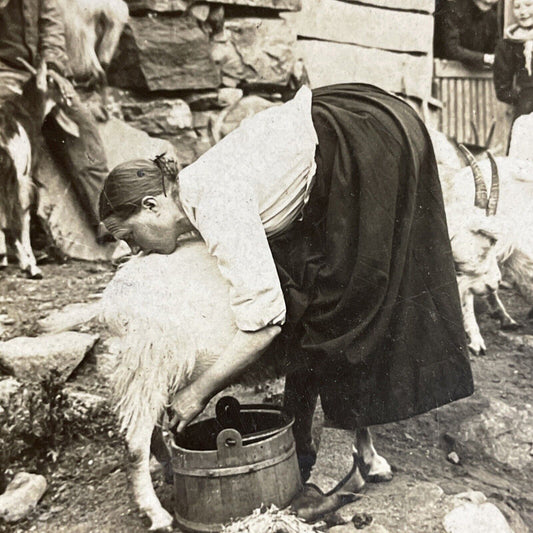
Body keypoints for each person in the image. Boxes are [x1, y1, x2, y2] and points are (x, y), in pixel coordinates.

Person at [99, 83, 474, 473]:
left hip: (365, 138)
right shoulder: (193, 191)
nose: (133, 250)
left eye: (128, 236)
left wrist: (198, 393)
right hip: (348, 116)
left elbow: (264, 321)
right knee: (309, 285)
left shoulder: (214, 201)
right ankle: (301, 440)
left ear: (152, 205)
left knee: (346, 301)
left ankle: (339, 466)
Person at [0, 0, 109, 239]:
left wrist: (52, 66)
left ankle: (109, 220)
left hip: (38, 72)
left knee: (79, 121)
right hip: (4, 74)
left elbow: (52, 27)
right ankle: (14, 234)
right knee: (9, 128)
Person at [494, 0, 533, 117]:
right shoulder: (508, 44)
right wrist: (524, 98)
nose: (523, 12)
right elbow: (503, 90)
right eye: (517, 7)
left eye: (528, 5)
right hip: (527, 112)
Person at [434, 0, 501, 69]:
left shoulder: (491, 17)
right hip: (448, 70)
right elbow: (451, 49)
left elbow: (495, 49)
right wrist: (484, 58)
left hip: (476, 74)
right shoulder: (453, 9)